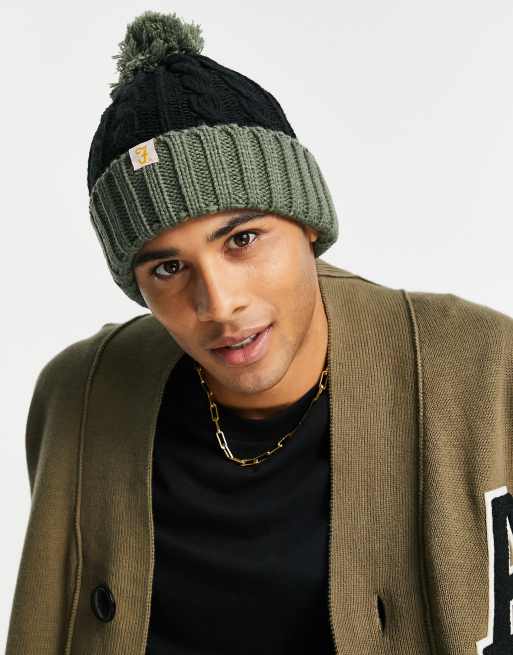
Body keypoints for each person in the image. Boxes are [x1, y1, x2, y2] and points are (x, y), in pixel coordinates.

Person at [5, 10, 513, 655]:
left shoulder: (482, 371)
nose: (219, 304)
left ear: (307, 225)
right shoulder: (79, 397)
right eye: (168, 268)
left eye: (242, 239)